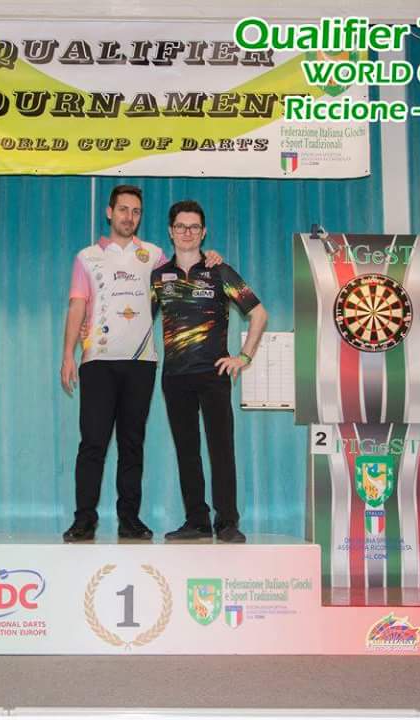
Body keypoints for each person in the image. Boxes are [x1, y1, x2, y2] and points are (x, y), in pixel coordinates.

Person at [60, 186, 222, 542]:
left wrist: (209, 257)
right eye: (123, 209)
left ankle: (129, 519)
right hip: (97, 361)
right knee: (93, 443)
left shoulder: (154, 256)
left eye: (135, 211)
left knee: (132, 444)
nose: (129, 217)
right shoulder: (86, 257)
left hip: (142, 363)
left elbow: (186, 266)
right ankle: (84, 520)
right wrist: (67, 354)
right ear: (109, 212)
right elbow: (77, 304)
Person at [150, 200, 267, 543]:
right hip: (175, 377)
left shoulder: (220, 271)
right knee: (187, 452)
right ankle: (197, 521)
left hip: (213, 374)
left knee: (221, 450)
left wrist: (243, 357)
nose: (187, 232)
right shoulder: (158, 276)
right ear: (171, 231)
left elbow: (259, 314)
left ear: (203, 232)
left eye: (194, 227)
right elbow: (138, 319)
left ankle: (227, 521)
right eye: (181, 226)